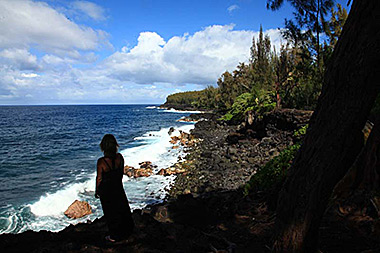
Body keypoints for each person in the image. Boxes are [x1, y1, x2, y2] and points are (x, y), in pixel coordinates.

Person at [95, 134, 134, 242]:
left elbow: (99, 178)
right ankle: (127, 231)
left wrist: (97, 191)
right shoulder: (120, 157)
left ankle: (114, 236)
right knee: (122, 210)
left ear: (103, 146)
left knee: (110, 213)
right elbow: (120, 173)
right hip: (118, 187)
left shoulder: (101, 161)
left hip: (107, 191)